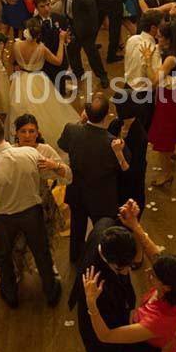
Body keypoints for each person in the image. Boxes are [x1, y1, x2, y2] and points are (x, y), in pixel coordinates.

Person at [82, 200, 176, 352]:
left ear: (166, 286)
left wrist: (91, 303)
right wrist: (134, 224)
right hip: (158, 350)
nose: (148, 272)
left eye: (154, 276)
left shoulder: (156, 320)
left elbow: (107, 336)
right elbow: (154, 253)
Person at [0, 115, 63, 308]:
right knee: (41, 252)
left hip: (5, 218)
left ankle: (10, 295)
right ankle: (51, 292)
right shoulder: (29, 153)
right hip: (33, 212)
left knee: (4, 257)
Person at [69, 214, 162, 352]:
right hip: (100, 337)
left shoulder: (105, 226)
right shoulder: (99, 287)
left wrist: (135, 225)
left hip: (108, 319)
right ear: (108, 259)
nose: (128, 271)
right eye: (122, 268)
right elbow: (113, 337)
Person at [59, 93, 130, 262]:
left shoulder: (72, 129)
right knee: (103, 232)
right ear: (107, 116)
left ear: (85, 112)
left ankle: (75, 257)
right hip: (102, 198)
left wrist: (80, 123)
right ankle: (100, 259)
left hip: (77, 192)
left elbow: (63, 144)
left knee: (77, 227)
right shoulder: (113, 143)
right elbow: (126, 167)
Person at [11, 114, 71, 274]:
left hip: (42, 202)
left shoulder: (45, 150)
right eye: (23, 131)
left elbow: (68, 175)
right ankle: (16, 270)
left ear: (38, 133)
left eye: (32, 131)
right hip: (19, 203)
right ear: (16, 133)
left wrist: (54, 165)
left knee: (45, 238)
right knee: (18, 241)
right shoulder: (10, 152)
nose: (28, 135)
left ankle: (48, 265)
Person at [6, 17, 78, 150]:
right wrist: (61, 41)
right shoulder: (41, 48)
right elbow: (58, 60)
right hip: (38, 80)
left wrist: (14, 74)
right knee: (46, 111)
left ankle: (19, 140)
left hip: (20, 79)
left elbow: (10, 62)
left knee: (19, 109)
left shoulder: (16, 45)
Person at [143, 19, 176, 187]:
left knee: (163, 136)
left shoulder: (170, 59)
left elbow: (155, 81)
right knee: (170, 129)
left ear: (169, 39)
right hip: (172, 95)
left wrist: (148, 61)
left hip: (168, 98)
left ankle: (166, 173)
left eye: (161, 37)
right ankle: (172, 154)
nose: (158, 39)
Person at [61, 0, 109, 88]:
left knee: (91, 52)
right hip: (72, 21)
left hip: (85, 24)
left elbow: (89, 0)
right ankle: (77, 72)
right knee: (72, 49)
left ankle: (102, 75)